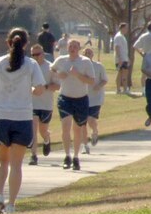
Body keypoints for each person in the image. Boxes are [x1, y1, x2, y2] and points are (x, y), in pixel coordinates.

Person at [0, 28, 45, 214]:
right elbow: (40, 89)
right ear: (25, 44)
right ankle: (11, 204)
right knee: (16, 164)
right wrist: (29, 92)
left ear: (8, 42)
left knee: (2, 161)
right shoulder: (31, 64)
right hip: (21, 118)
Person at [48, 38, 98, 171]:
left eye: (75, 46)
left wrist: (77, 75)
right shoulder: (61, 60)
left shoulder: (85, 62)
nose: (72, 49)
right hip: (65, 98)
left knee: (77, 129)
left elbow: (92, 81)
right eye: (70, 46)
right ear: (67, 47)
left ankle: (76, 157)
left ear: (79, 48)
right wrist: (60, 75)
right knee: (65, 125)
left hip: (81, 99)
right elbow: (51, 69)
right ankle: (67, 156)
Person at [27, 42, 54, 163]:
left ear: (43, 54)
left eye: (37, 54)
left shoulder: (50, 67)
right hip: (32, 103)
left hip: (46, 104)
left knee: (43, 130)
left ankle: (47, 139)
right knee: (32, 129)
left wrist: (45, 87)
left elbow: (57, 86)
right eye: (33, 54)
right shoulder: (28, 67)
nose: (35, 57)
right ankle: (33, 155)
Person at [83, 44, 106, 150]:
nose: (87, 54)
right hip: (83, 97)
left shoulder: (98, 66)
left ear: (92, 54)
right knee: (82, 122)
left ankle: (95, 131)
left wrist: (98, 86)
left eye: (89, 53)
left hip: (96, 98)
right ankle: (85, 145)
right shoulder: (80, 66)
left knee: (91, 119)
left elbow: (104, 80)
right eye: (85, 53)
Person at [111, 25, 132, 94]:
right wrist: (119, 58)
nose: (127, 30)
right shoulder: (118, 36)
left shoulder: (122, 36)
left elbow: (124, 49)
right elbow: (117, 47)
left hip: (124, 58)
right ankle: (121, 89)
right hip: (121, 58)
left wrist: (127, 58)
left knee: (123, 73)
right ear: (122, 28)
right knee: (121, 73)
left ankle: (123, 89)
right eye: (126, 28)